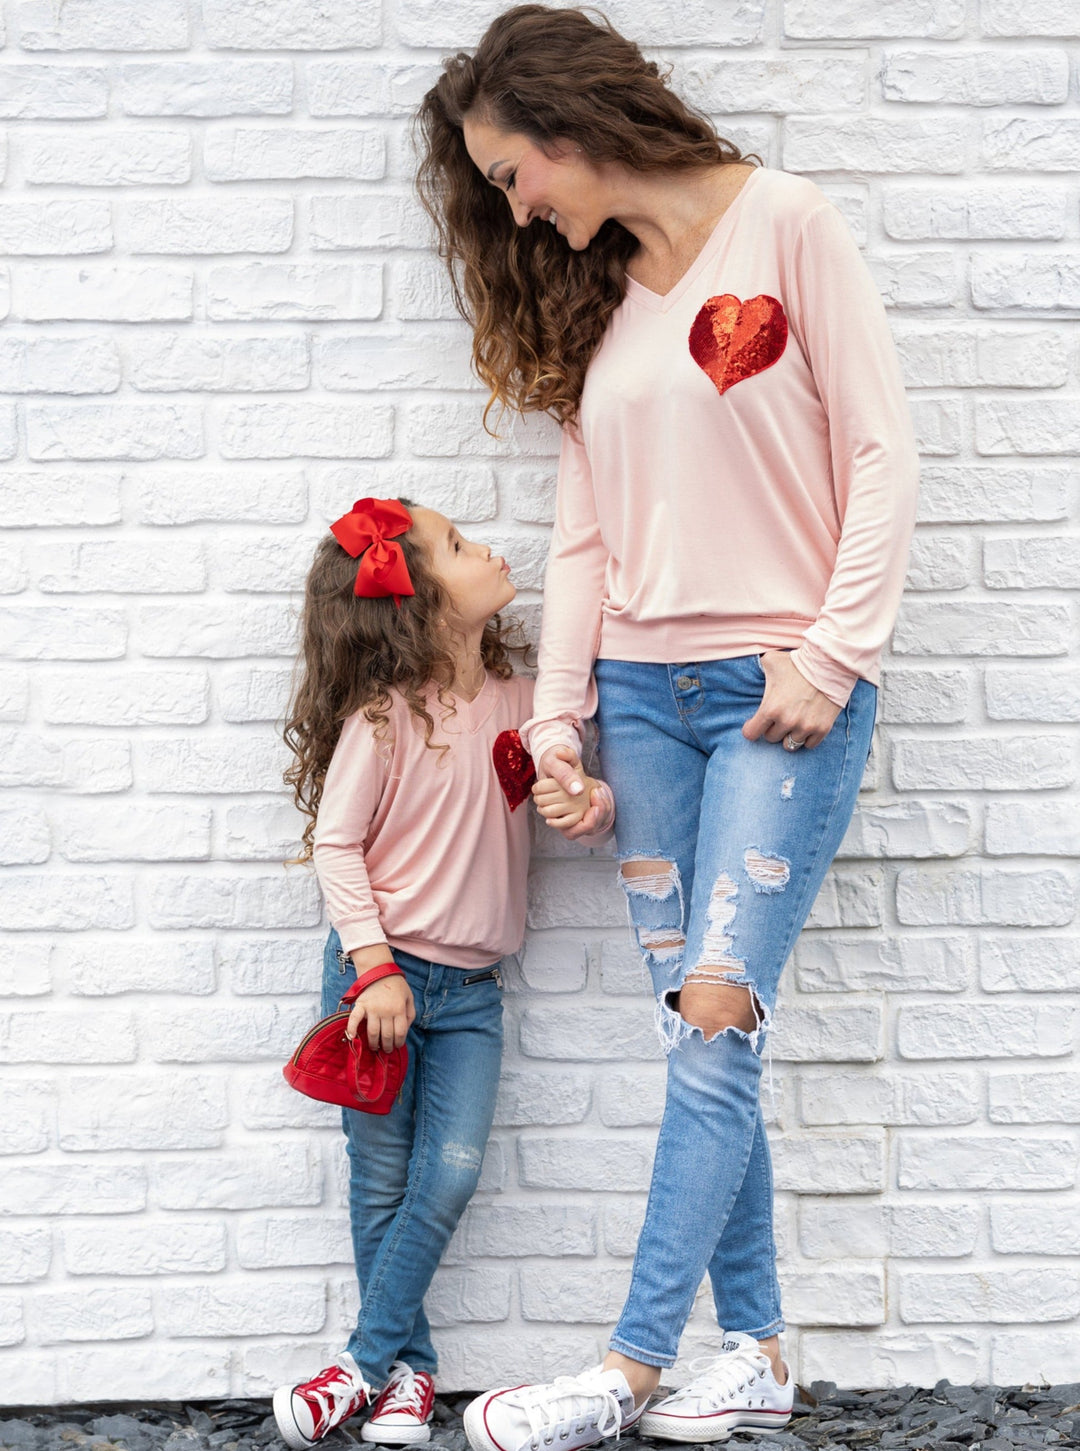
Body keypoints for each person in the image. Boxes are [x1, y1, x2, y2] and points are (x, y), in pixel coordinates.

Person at [416, 5, 918, 1447]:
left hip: (779, 691)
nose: (518, 206)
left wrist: (835, 651)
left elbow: (882, 450)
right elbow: (584, 537)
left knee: (714, 1012)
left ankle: (630, 1365)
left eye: (514, 173)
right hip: (638, 699)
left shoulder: (790, 225)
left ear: (569, 127)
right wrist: (561, 721)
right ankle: (752, 1348)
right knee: (706, 1039)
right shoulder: (604, 297)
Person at [274, 497, 610, 1450]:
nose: (491, 550)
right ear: (417, 602)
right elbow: (336, 845)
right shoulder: (384, 719)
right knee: (381, 1178)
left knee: (448, 1175)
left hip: (468, 996)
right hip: (376, 981)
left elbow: (571, 779)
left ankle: (358, 1366)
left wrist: (581, 791)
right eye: (460, 547)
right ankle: (412, 1378)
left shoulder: (520, 707)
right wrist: (375, 967)